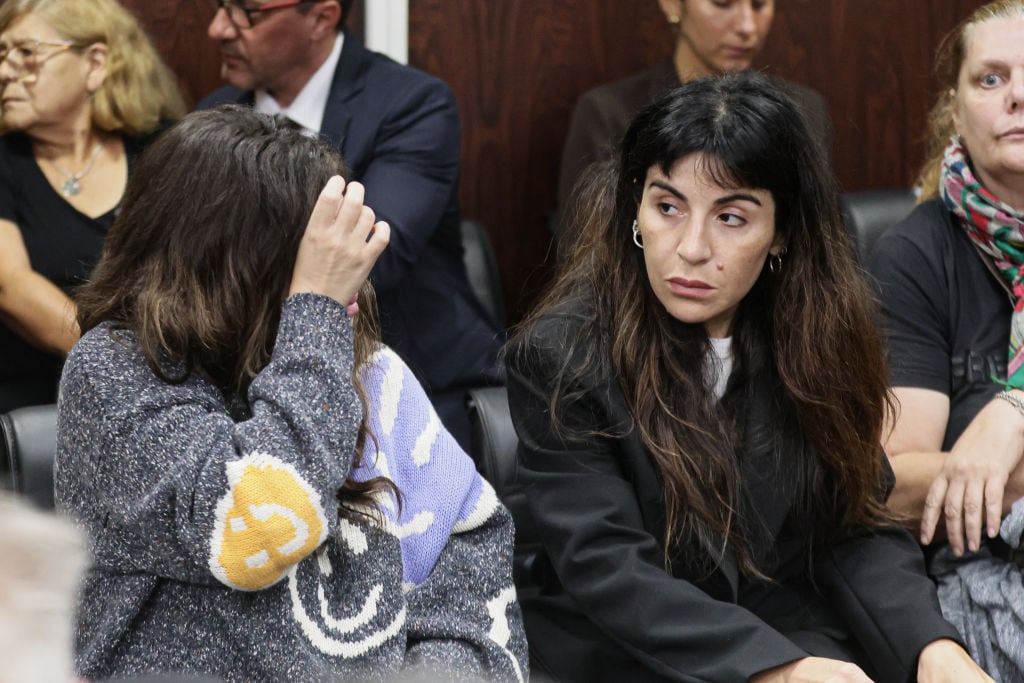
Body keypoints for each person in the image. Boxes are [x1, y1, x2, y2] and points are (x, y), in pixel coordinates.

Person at [505, 71, 990, 682]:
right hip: (625, 651)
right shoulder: (561, 354)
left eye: (731, 218)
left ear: (781, 233)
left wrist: (932, 649)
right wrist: (778, 670)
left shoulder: (818, 333)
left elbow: (853, 525)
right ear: (636, 211)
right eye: (667, 207)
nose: (691, 248)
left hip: (778, 624)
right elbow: (609, 571)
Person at [54, 107, 527, 682]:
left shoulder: (366, 369)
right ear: (225, 263)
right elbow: (259, 530)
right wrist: (317, 311)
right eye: (317, 260)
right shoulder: (112, 370)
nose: (349, 278)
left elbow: (468, 563)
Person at [197, 0, 502, 451]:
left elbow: (367, 258)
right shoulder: (212, 116)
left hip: (407, 382)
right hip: (246, 387)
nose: (218, 28)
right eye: (219, 6)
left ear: (322, 16)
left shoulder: (410, 104)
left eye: (246, 12)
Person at [870, 1, 1024, 678]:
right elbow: (893, 483)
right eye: (991, 79)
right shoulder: (914, 254)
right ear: (954, 109)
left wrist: (1013, 411)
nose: (1018, 95)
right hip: (981, 578)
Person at [0, 0, 183, 412]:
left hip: (164, 398)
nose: (4, 71)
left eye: (26, 53)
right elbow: (9, 285)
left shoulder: (163, 149)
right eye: (2, 54)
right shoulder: (5, 159)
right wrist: (124, 371)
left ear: (95, 63)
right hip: (27, 416)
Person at [557, 0, 832, 226]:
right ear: (673, 5)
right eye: (723, 4)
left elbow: (822, 241)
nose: (748, 27)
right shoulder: (609, 112)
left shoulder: (804, 110)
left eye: (759, 5)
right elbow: (584, 253)